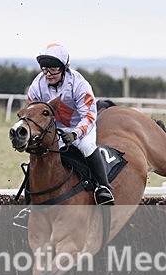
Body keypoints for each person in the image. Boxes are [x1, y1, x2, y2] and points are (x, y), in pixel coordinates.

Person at [27, 43, 114, 205]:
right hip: (54, 130)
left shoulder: (79, 84)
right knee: (37, 154)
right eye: (45, 69)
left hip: (81, 127)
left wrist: (75, 134)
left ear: (63, 68)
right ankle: (30, 202)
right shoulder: (37, 85)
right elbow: (32, 113)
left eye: (53, 69)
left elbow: (89, 115)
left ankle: (103, 188)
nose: (48, 74)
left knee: (87, 147)